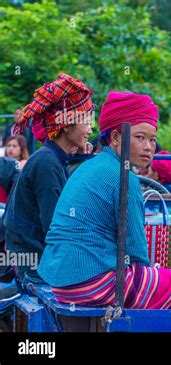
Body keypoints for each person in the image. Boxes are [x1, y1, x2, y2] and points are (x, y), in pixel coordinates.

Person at [37, 90, 171, 310]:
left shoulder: (87, 167)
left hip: (60, 281)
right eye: (140, 137)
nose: (148, 147)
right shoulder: (125, 177)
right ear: (116, 138)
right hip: (92, 282)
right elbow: (135, 250)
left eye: (153, 140)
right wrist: (149, 279)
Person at [2, 73, 94, 283]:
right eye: (85, 122)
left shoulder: (52, 157)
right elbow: (55, 227)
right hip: (34, 266)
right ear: (67, 124)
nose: (90, 129)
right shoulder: (47, 163)